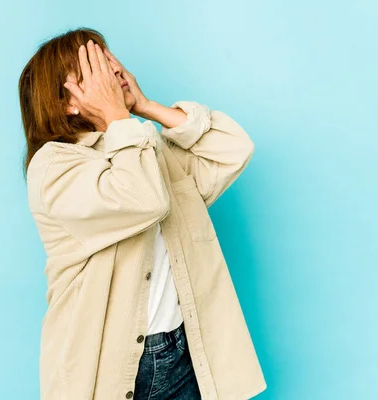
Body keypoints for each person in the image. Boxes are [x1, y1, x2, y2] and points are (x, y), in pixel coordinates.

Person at [18, 27, 267, 399]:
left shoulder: (140, 145)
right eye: (95, 67)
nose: (114, 71)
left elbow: (232, 148)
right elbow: (143, 199)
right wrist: (120, 119)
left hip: (186, 352)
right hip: (113, 368)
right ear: (67, 101)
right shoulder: (55, 166)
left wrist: (146, 107)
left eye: (110, 59)